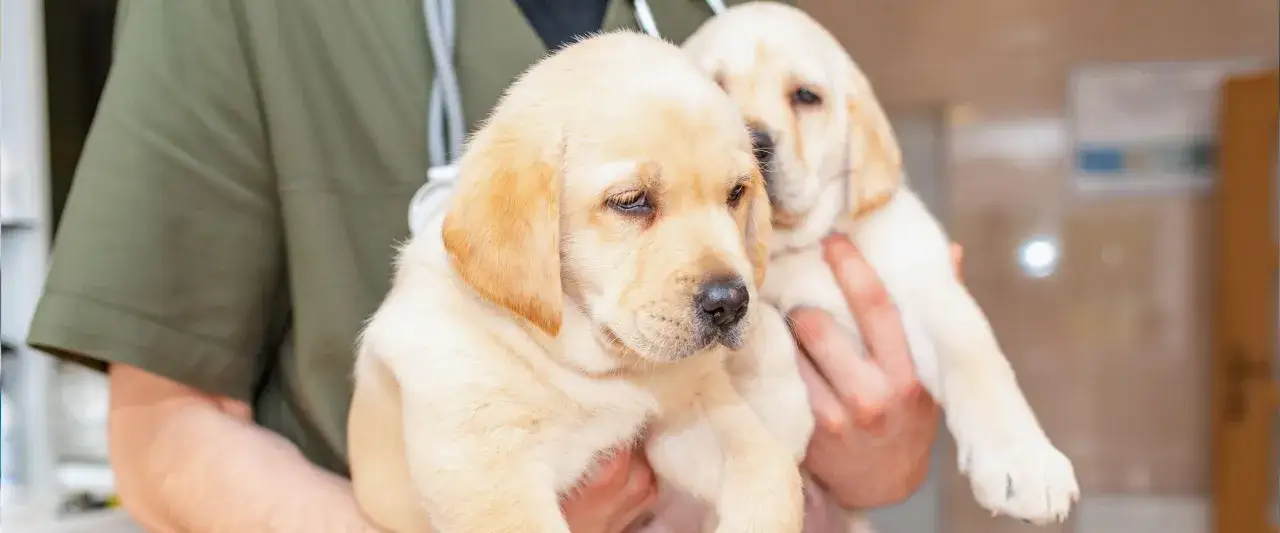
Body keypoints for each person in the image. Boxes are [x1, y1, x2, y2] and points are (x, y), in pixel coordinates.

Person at [28, 1, 958, 532]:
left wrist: (878, 458)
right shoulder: (245, 17)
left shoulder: (731, 27)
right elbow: (161, 435)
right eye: (634, 202)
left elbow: (797, 376)